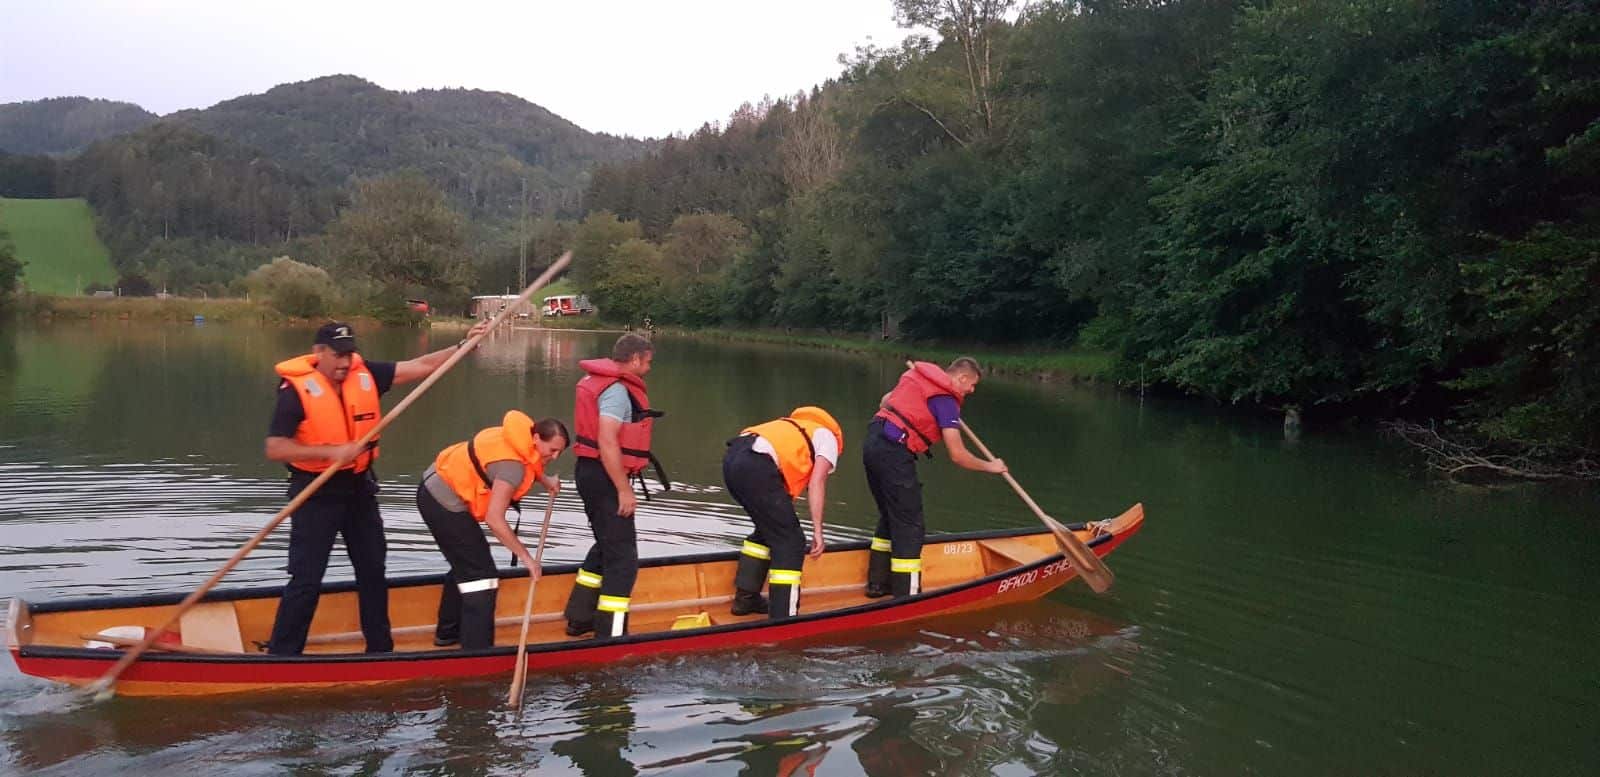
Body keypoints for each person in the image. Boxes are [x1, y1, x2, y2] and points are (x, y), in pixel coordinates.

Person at [263, 319, 488, 655]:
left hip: (358, 491)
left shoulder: (364, 373)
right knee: (306, 579)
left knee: (372, 571)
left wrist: (462, 346)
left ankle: (380, 650)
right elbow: (275, 448)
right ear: (318, 352)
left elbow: (421, 366)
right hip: (315, 493)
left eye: (348, 354)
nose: (343, 362)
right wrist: (332, 452)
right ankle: (283, 654)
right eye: (337, 355)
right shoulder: (294, 391)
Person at [416, 411, 567, 649]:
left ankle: (448, 634)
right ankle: (477, 651)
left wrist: (545, 479)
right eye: (552, 450)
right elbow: (495, 519)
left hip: (435, 485)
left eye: (560, 452)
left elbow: (529, 461)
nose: (555, 456)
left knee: (467, 562)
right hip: (441, 500)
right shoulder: (512, 468)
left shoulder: (520, 439)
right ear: (536, 438)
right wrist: (527, 558)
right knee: (482, 576)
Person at [863, 357, 1006, 598]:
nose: (971, 391)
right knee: (910, 526)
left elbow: (886, 401)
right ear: (961, 378)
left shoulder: (916, 377)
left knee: (891, 515)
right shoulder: (946, 400)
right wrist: (990, 466)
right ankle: (905, 595)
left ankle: (877, 584)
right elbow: (958, 455)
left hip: (873, 443)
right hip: (894, 452)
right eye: (971, 385)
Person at [562, 333, 666, 639]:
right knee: (623, 557)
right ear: (634, 359)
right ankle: (612, 634)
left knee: (607, 543)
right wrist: (623, 489)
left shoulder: (596, 381)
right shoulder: (617, 391)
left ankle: (580, 619)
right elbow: (607, 441)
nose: (648, 368)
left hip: (589, 471)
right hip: (604, 476)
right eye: (647, 362)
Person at [723, 406, 844, 620]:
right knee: (791, 541)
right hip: (757, 464)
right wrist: (818, 531)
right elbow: (817, 482)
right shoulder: (828, 438)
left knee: (767, 529)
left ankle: (746, 600)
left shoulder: (791, 426)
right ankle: (783, 617)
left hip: (733, 459)